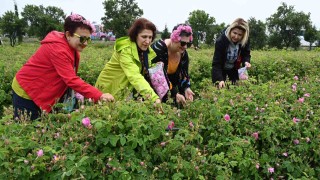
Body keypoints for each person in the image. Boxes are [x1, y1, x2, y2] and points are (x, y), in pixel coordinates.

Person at [12, 13, 114, 120]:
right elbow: (71, 79)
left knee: (44, 125)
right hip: (27, 91)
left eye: (88, 39)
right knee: (29, 128)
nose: (86, 43)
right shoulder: (58, 49)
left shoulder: (70, 47)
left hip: (41, 88)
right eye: (82, 39)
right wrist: (99, 96)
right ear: (68, 35)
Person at [95, 18, 161, 106]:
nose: (148, 41)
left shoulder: (145, 51)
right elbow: (134, 75)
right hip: (109, 88)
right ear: (135, 35)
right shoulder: (125, 50)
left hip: (123, 89)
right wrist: (154, 98)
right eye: (144, 37)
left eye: (150, 37)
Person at [151, 24, 195, 106]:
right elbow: (157, 78)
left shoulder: (183, 54)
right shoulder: (159, 48)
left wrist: (186, 88)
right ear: (174, 38)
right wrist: (174, 94)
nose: (185, 47)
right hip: (154, 89)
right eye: (182, 43)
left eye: (188, 44)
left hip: (171, 87)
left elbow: (184, 73)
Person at [211, 18, 251, 88]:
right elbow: (217, 63)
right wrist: (219, 79)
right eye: (234, 33)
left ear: (243, 35)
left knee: (234, 89)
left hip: (234, 68)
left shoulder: (245, 41)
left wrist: (246, 62)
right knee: (220, 89)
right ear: (230, 30)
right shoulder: (221, 41)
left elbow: (246, 54)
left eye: (240, 34)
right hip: (221, 69)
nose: (236, 37)